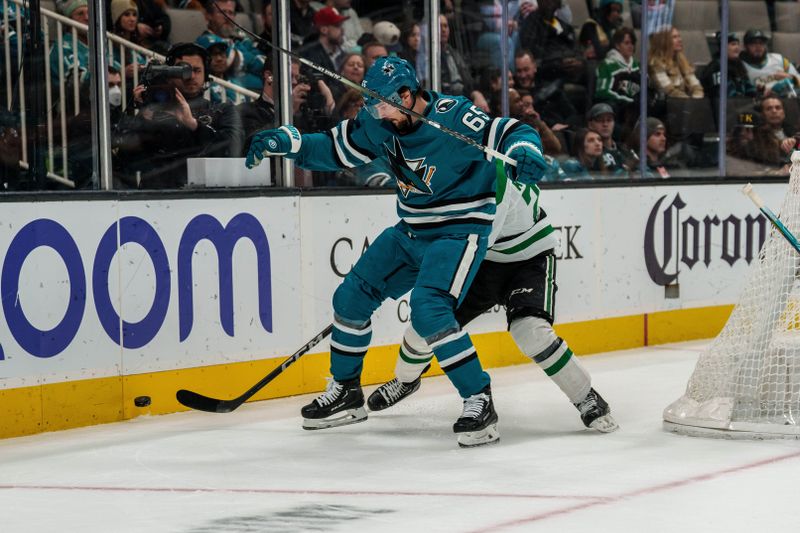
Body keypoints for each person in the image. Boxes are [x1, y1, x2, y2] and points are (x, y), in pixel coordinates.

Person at [245, 56, 548, 447]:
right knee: (350, 298)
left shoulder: (454, 116)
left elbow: (509, 131)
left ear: (407, 94)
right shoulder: (378, 121)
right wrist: (291, 143)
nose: (378, 113)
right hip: (411, 230)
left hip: (459, 231)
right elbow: (337, 149)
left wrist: (526, 147)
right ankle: (346, 392)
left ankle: (479, 399)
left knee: (429, 308)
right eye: (372, 105)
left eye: (384, 104)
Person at [367, 175, 619, 434]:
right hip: (484, 259)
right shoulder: (453, 169)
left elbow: (470, 239)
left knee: (530, 331)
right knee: (424, 328)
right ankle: (405, 380)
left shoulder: (492, 181)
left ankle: (585, 394)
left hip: (527, 259)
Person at [115, 42, 243, 188]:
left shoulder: (222, 110)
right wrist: (142, 118)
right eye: (183, 70)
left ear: (206, 75)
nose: (191, 76)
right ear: (168, 75)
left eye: (197, 70)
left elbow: (232, 150)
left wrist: (194, 125)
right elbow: (126, 163)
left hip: (206, 199)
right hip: (156, 199)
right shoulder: (152, 113)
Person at [197, 0, 265, 91]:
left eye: (231, 13)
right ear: (208, 15)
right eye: (222, 12)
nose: (227, 17)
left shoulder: (241, 39)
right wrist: (252, 59)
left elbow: (264, 64)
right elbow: (231, 62)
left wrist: (241, 56)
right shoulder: (204, 41)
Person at [594, 26, 640, 129]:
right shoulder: (607, 65)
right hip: (618, 109)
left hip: (636, 107)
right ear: (617, 45)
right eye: (627, 43)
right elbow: (602, 92)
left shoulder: (638, 65)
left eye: (632, 43)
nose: (631, 46)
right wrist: (628, 100)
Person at [739, 29, 800, 98]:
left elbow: (799, 79)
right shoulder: (739, 66)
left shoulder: (779, 59)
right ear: (745, 46)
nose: (758, 46)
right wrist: (773, 78)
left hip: (790, 98)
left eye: (761, 43)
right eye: (753, 43)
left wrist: (789, 77)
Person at [648, 27, 704, 99]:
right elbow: (669, 91)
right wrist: (690, 103)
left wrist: (695, 99)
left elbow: (697, 87)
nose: (680, 40)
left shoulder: (682, 61)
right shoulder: (655, 64)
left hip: (686, 105)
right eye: (674, 37)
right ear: (663, 41)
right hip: (668, 107)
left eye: (679, 36)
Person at [700, 32, 757, 99]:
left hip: (741, 106)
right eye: (733, 44)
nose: (737, 48)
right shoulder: (716, 67)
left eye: (738, 44)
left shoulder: (739, 65)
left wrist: (758, 94)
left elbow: (750, 90)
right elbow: (727, 96)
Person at [586, 103, 633, 172]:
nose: (605, 124)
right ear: (590, 125)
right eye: (600, 120)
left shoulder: (623, 149)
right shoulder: (591, 152)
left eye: (609, 120)